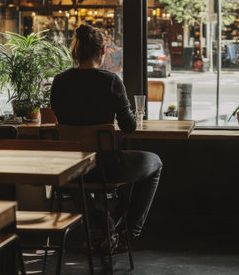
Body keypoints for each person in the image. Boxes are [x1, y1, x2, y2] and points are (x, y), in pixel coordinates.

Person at [50, 24, 162, 250]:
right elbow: (129, 126)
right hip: (104, 167)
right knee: (155, 163)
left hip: (70, 168)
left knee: (78, 182)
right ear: (103, 52)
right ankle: (126, 233)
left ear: (74, 52)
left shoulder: (59, 82)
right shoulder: (110, 81)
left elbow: (61, 118)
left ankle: (106, 226)